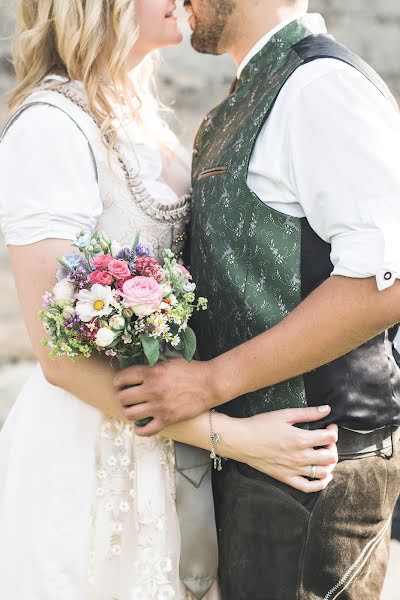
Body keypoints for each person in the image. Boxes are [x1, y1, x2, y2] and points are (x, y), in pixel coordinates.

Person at [0, 1, 338, 598]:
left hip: (166, 440)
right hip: (90, 450)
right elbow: (58, 358)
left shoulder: (141, 116)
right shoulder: (48, 128)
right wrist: (234, 437)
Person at [115, 1, 400, 598]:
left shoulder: (319, 88)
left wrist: (212, 381)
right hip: (261, 470)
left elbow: (386, 282)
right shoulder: (254, 94)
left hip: (315, 473)